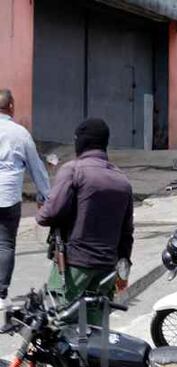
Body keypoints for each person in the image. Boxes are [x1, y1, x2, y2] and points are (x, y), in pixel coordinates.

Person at [37, 118, 133, 320]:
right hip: (107, 268)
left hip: (73, 265)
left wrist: (41, 211)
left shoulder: (73, 170)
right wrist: (123, 272)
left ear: (81, 142)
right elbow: (127, 233)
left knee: (60, 326)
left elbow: (50, 214)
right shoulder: (122, 180)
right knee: (95, 332)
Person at [0, 89, 50, 309]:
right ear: (11, 106)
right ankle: (1, 295)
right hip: (8, 196)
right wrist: (45, 196)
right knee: (5, 244)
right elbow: (36, 168)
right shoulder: (20, 134)